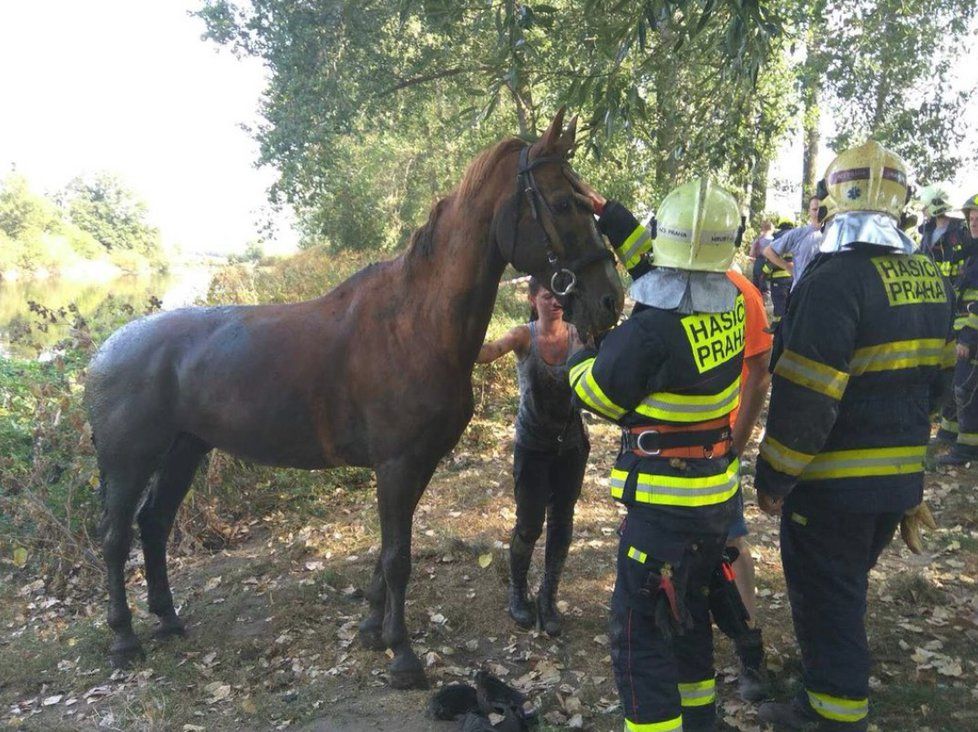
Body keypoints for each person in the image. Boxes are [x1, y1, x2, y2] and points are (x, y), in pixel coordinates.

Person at [754, 141, 955, 731]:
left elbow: (806, 400)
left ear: (833, 199)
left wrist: (773, 478)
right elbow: (938, 387)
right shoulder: (927, 276)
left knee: (827, 593)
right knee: (843, 585)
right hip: (897, 482)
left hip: (834, 486)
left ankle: (833, 712)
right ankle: (826, 680)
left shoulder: (833, 281)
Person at [568, 177, 746, 732]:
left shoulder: (650, 334)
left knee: (639, 639)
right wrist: (609, 215)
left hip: (661, 517)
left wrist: (578, 346)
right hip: (714, 504)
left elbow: (594, 391)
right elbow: (659, 269)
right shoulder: (734, 304)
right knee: (689, 623)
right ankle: (701, 724)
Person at [476, 278, 589, 636]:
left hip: (571, 446)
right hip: (533, 447)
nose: (555, 301)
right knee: (528, 524)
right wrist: (457, 334)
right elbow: (489, 351)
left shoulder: (578, 336)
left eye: (560, 296)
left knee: (562, 522)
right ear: (532, 299)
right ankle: (517, 592)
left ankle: (548, 598)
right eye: (546, 295)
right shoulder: (523, 336)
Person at [724, 267, 773, 702]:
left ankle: (749, 650)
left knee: (731, 540)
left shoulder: (742, 293)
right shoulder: (663, 283)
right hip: (667, 448)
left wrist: (738, 442)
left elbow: (760, 371)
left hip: (718, 447)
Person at [939, 193, 978, 465]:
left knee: (966, 387)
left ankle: (967, 447)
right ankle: (949, 433)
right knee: (956, 384)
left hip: (972, 334)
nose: (974, 222)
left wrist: (967, 337)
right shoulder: (971, 251)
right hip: (960, 329)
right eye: (972, 218)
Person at [749, 220, 774, 294]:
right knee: (766, 289)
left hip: (758, 263)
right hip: (769, 264)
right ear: (771, 228)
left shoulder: (758, 240)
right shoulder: (773, 240)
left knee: (756, 289)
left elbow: (751, 253)